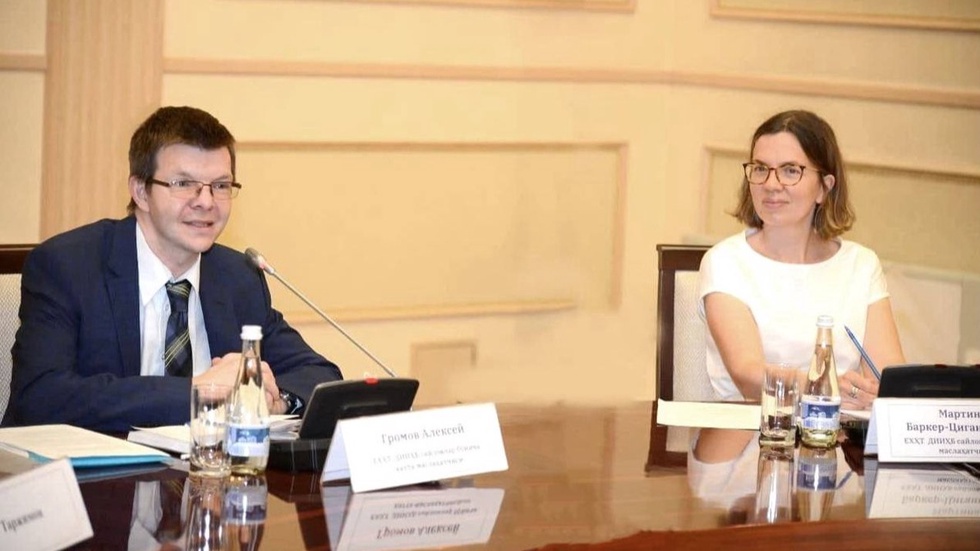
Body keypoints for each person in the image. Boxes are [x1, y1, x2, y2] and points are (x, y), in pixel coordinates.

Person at [2, 106, 343, 432]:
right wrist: (199, 392)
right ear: (141, 192)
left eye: (221, 186)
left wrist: (276, 401)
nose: (206, 201)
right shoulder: (68, 267)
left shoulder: (237, 277)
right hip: (88, 470)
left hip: (208, 468)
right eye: (183, 184)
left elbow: (319, 375)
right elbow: (40, 396)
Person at [698, 110, 905, 410]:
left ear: (824, 186)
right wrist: (826, 387)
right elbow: (748, 375)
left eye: (790, 170)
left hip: (839, 432)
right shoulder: (725, 262)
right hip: (750, 431)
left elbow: (889, 380)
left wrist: (873, 392)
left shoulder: (861, 265)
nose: (771, 184)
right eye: (761, 169)